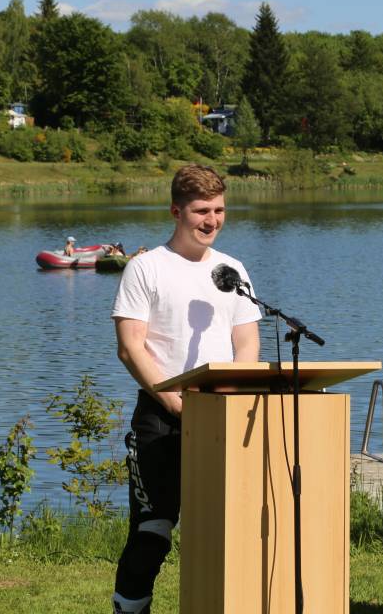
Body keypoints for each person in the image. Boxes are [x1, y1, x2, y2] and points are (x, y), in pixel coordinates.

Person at [110, 164, 261, 614]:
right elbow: (130, 347)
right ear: (176, 211)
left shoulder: (232, 270)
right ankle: (130, 609)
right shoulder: (145, 268)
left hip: (222, 415)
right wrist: (175, 403)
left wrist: (234, 392)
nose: (211, 220)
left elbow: (247, 339)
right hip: (160, 417)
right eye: (200, 211)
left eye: (218, 210)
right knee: (153, 530)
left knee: (226, 528)